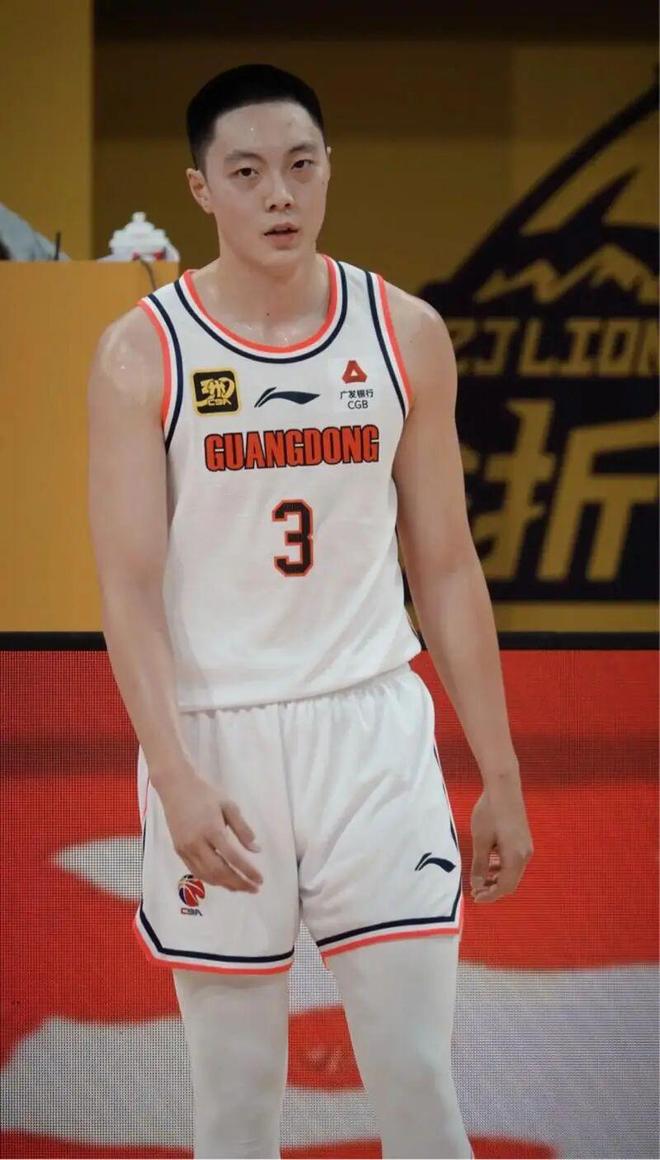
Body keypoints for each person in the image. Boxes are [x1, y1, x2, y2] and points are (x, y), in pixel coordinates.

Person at [87, 63, 533, 1160]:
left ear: (331, 168)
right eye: (247, 172)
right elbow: (129, 588)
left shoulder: (405, 331)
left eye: (299, 165)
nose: (279, 193)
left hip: (370, 729)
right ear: (201, 189)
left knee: (418, 1078)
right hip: (217, 741)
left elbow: (446, 567)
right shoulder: (144, 350)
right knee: (238, 1105)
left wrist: (502, 772)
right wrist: (174, 774)